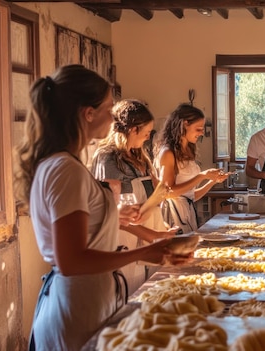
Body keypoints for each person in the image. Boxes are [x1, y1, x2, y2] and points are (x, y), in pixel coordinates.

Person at [13, 65, 189, 351]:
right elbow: (71, 260)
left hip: (85, 302)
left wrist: (115, 219)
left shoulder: (62, 164)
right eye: (108, 108)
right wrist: (146, 252)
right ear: (88, 113)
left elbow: (81, 227)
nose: (112, 116)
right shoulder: (65, 169)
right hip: (76, 309)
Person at [91, 99, 175, 294]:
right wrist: (153, 235)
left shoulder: (139, 157)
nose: (147, 138)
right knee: (128, 293)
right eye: (145, 133)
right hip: (125, 240)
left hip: (147, 237)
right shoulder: (108, 158)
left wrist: (160, 225)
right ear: (132, 130)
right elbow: (113, 214)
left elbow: (151, 196)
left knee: (149, 293)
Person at [154, 103, 228, 233]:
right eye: (198, 129)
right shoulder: (167, 153)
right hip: (173, 215)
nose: (201, 133)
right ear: (184, 124)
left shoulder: (187, 150)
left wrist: (212, 181)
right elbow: (168, 192)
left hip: (187, 212)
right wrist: (202, 176)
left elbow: (190, 196)